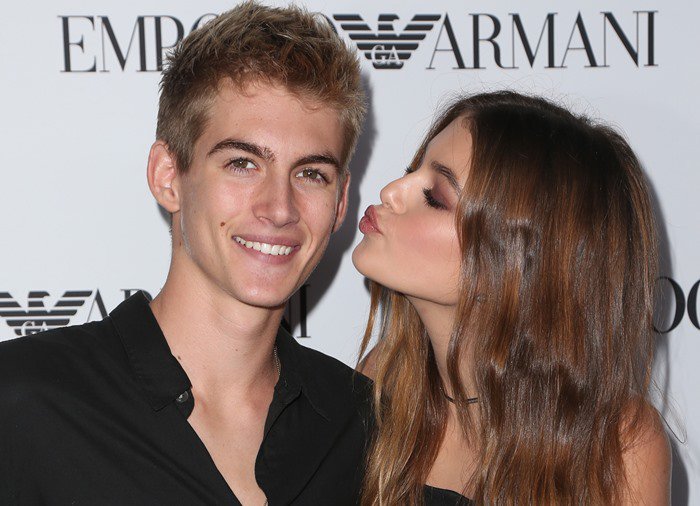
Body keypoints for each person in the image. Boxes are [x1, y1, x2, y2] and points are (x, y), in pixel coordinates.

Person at [0, 2, 370, 504]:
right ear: (168, 177)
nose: (279, 208)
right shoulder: (24, 401)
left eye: (311, 174)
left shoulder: (369, 429)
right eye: (242, 163)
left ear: (341, 202)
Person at [353, 91, 671, 505]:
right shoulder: (384, 381)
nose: (392, 191)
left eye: (435, 198)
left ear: (517, 263)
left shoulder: (617, 445)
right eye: (411, 170)